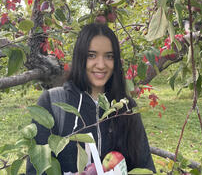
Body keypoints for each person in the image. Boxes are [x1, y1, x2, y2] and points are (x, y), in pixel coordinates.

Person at [26, 23, 156, 174]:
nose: (101, 65)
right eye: (91, 55)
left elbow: (145, 166)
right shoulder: (53, 103)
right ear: (80, 57)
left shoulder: (125, 108)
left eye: (109, 56)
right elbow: (36, 170)